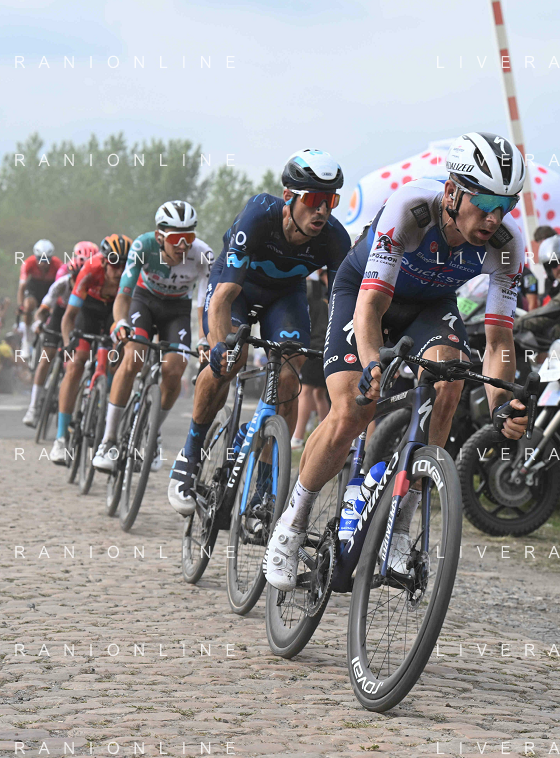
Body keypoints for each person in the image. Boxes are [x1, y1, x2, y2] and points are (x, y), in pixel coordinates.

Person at [263, 132, 531, 591]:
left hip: (429, 305)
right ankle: (293, 521)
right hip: (365, 294)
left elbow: (498, 340)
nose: (493, 217)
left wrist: (501, 403)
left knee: (449, 379)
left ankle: (400, 529)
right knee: (353, 410)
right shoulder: (411, 208)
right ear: (452, 192)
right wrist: (372, 365)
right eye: (485, 202)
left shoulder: (507, 244)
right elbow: (370, 307)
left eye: (505, 205)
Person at [167, 149, 351, 513]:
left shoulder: (335, 239)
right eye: (313, 199)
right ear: (288, 196)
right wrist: (217, 347)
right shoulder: (259, 215)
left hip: (285, 296)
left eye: (330, 201)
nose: (322, 210)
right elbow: (222, 298)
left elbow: (341, 309)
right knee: (228, 362)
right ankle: (190, 454)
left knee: (289, 379)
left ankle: (264, 492)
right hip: (237, 288)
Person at [92, 202, 212, 473]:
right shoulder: (143, 246)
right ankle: (108, 440)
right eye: (175, 238)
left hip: (177, 310)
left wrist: (204, 338)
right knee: (133, 359)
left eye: (189, 236)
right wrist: (120, 322)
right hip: (144, 302)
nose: (183, 245)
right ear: (159, 237)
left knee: (174, 370)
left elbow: (204, 304)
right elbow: (123, 295)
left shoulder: (203, 254)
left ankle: (152, 431)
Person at [49, 235, 131, 465]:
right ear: (104, 261)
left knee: (118, 360)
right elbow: (69, 316)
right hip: (88, 311)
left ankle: (106, 407)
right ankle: (61, 438)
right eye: (115, 264)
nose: (120, 270)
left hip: (114, 313)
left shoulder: (131, 275)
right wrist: (68, 344)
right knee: (76, 363)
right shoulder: (90, 270)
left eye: (124, 264)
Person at [22, 241, 98, 426]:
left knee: (77, 360)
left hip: (80, 316)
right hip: (60, 313)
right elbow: (44, 307)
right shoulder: (62, 281)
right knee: (46, 357)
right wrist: (39, 322)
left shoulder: (94, 283)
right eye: (75, 278)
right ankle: (33, 407)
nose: (78, 282)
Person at [292, 271, 330, 449]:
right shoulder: (327, 295)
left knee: (306, 391)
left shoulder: (309, 292)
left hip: (314, 346)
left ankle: (298, 437)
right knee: (319, 393)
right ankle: (327, 435)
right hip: (325, 347)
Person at [18, 239, 62, 355]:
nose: (43, 263)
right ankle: (27, 338)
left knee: (54, 310)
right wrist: (21, 306)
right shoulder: (28, 263)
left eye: (46, 260)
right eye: (40, 259)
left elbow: (61, 287)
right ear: (35, 257)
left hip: (50, 289)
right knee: (28, 305)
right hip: (34, 288)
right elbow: (22, 286)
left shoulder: (58, 265)